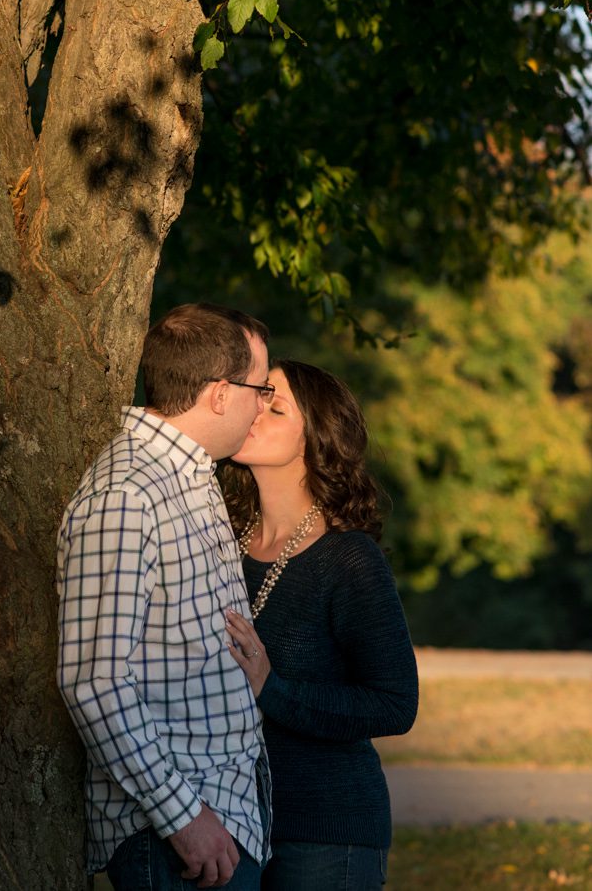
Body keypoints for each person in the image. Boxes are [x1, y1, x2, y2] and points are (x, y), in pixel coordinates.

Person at [57, 303, 274, 891]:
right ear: (222, 394)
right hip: (174, 838)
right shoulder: (128, 495)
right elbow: (94, 681)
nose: (264, 406)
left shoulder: (189, 479)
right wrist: (184, 819)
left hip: (219, 821)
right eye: (259, 389)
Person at [221, 360, 418, 891]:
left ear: (314, 441)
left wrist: (272, 690)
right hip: (226, 827)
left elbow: (395, 704)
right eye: (257, 396)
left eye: (275, 406)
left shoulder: (348, 558)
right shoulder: (217, 541)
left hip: (327, 833)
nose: (254, 412)